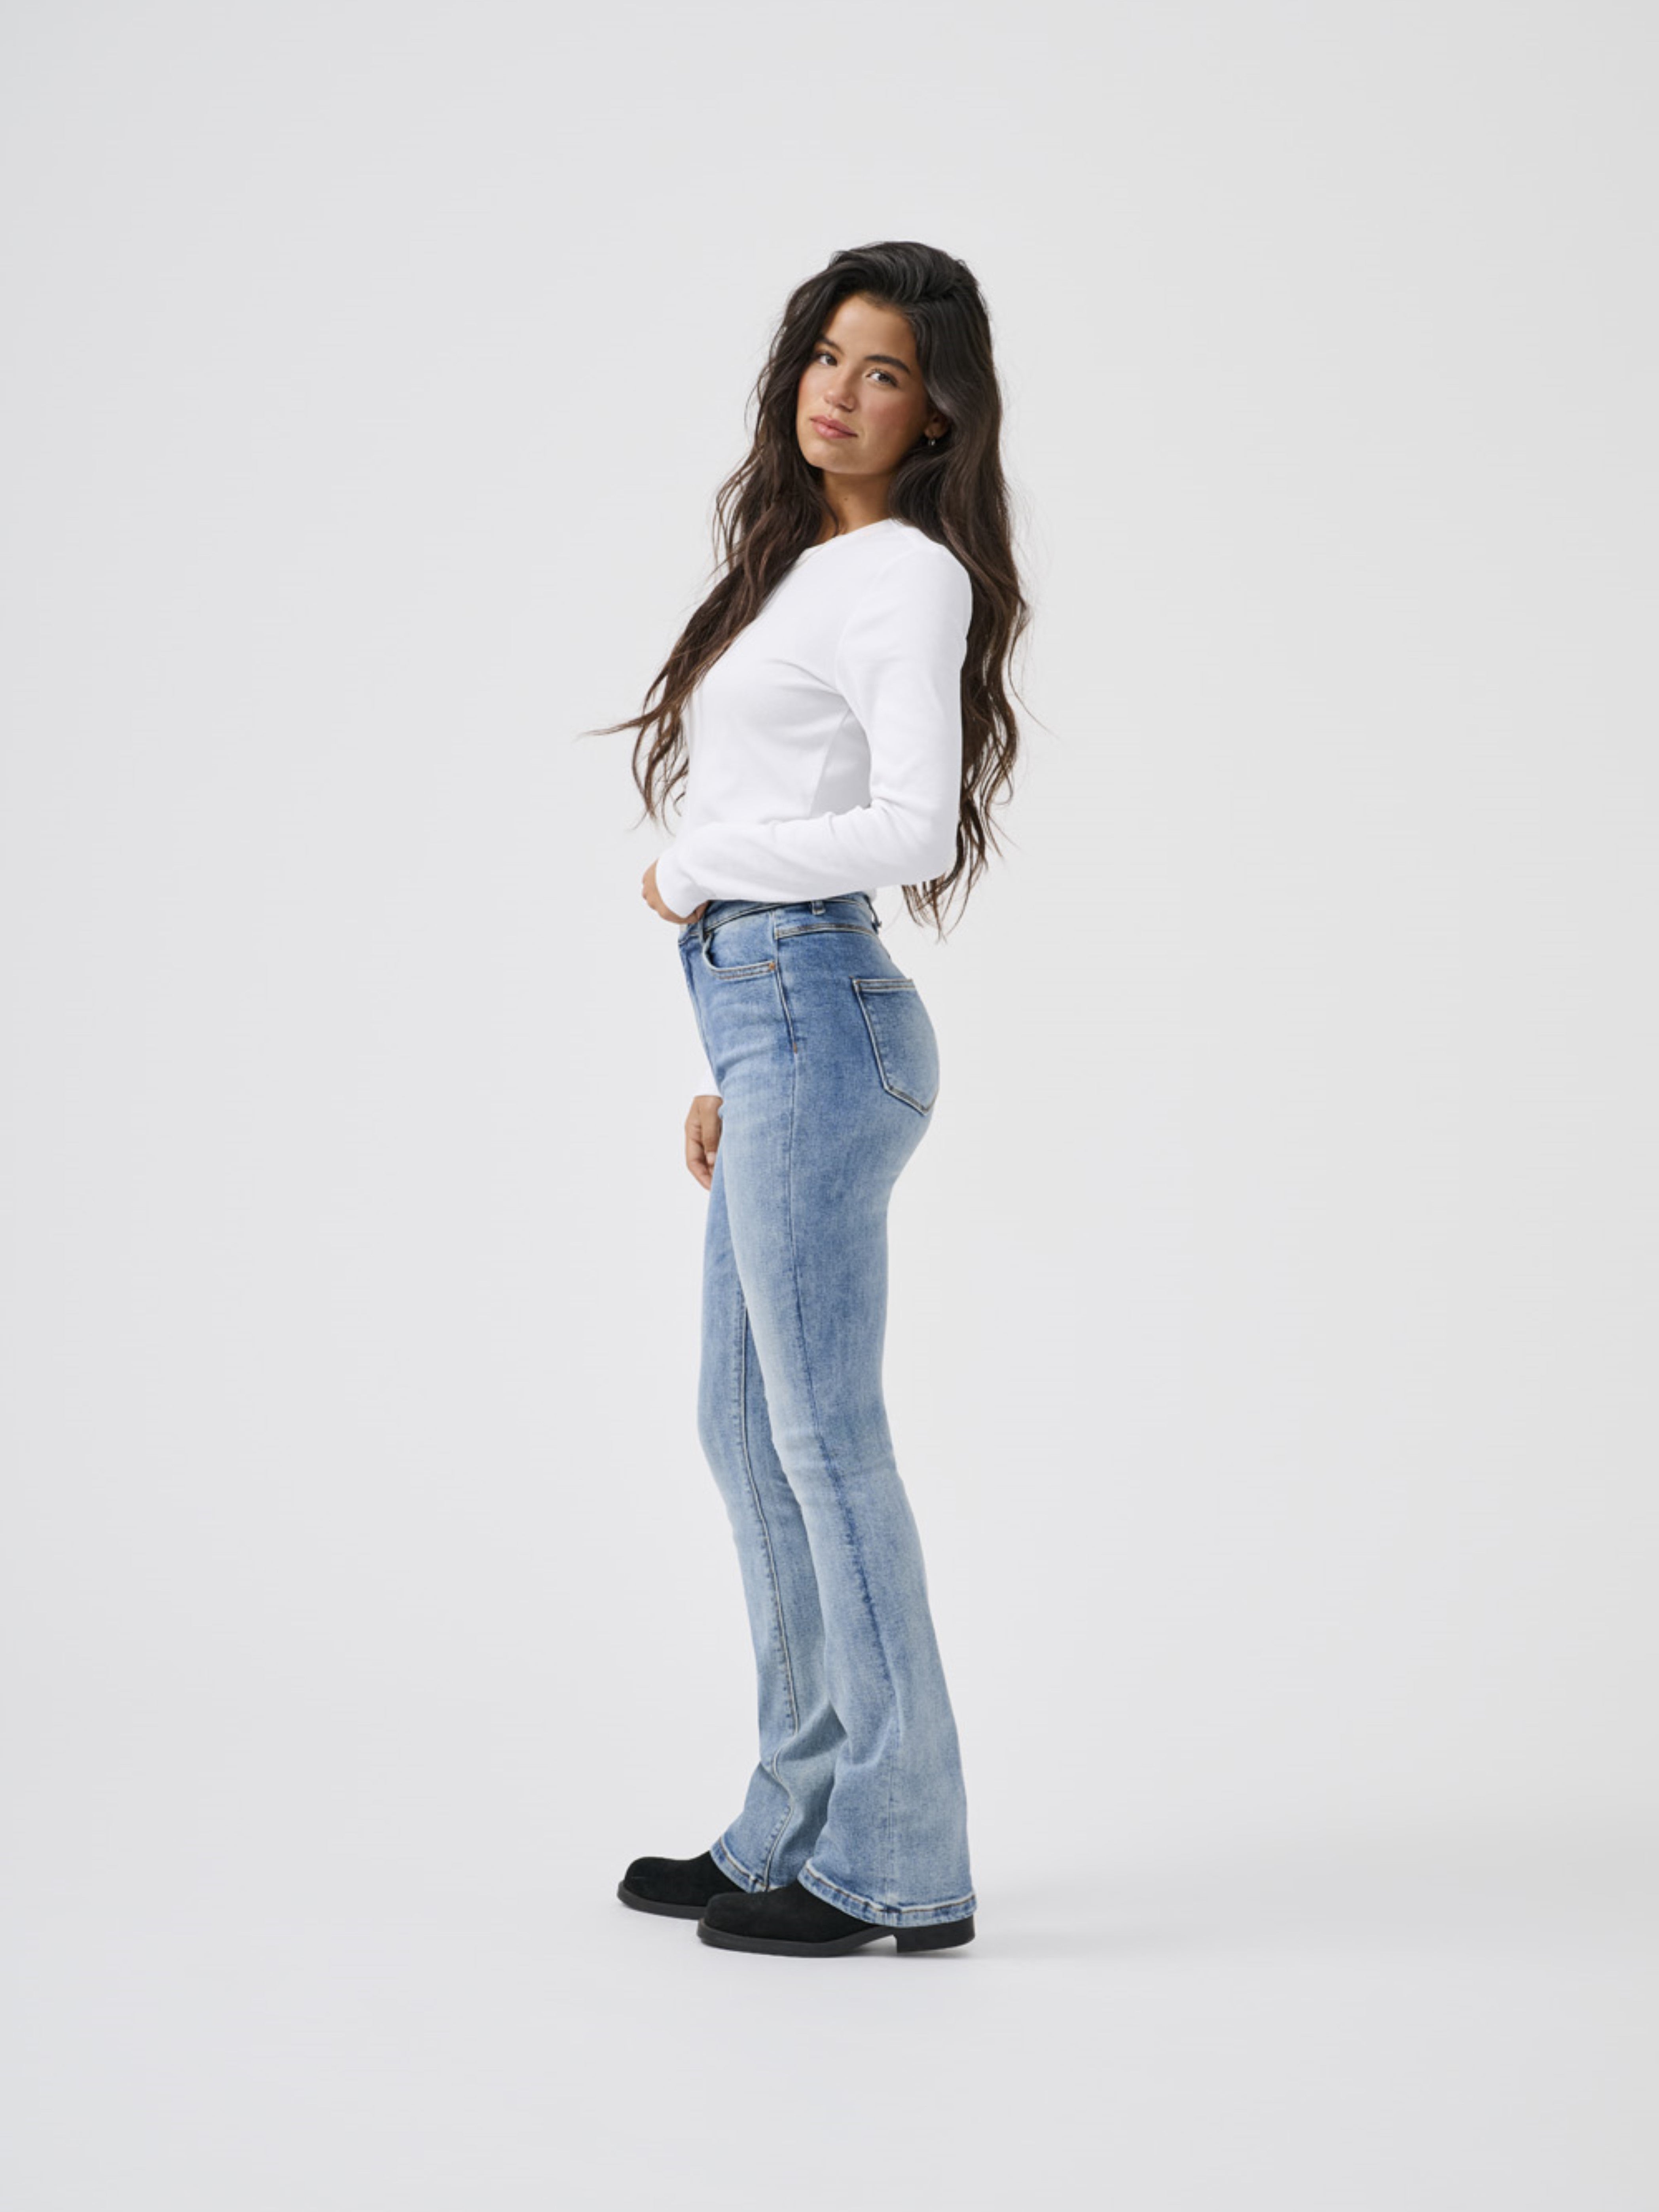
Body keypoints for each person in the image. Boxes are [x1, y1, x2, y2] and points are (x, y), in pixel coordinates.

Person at [599, 241, 1027, 1957]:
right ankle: (791, 1821)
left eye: (884, 373)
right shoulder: (806, 572)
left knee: (824, 1439)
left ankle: (901, 1862)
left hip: (816, 1013)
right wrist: (731, 1065)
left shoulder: (904, 575)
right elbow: (796, 807)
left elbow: (907, 829)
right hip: (774, 1027)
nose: (839, 394)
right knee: (743, 1427)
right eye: (826, 359)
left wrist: (696, 867)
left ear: (938, 417)